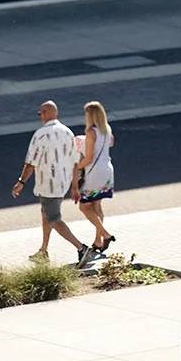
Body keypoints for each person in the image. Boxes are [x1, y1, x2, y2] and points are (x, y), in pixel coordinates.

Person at [12, 100, 94, 267]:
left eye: (41, 113)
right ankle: (43, 251)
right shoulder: (67, 132)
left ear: (45, 113)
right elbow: (75, 162)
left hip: (48, 185)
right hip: (62, 183)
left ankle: (81, 248)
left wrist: (21, 182)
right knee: (45, 214)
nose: (40, 117)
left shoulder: (40, 134)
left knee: (53, 218)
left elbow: (30, 163)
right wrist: (74, 187)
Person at [73, 101, 115, 253]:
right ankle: (98, 241)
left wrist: (75, 166)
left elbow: (89, 157)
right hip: (107, 170)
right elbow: (111, 143)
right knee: (97, 206)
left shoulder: (91, 132)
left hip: (94, 172)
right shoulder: (107, 129)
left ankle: (105, 234)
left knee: (84, 206)